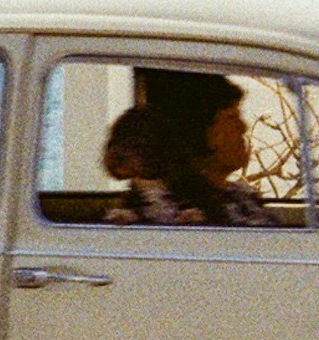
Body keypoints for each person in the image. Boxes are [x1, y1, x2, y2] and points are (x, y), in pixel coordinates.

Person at [99, 70, 280, 226]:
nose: (243, 127)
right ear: (202, 133)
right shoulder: (167, 213)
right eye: (231, 119)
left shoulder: (242, 197)